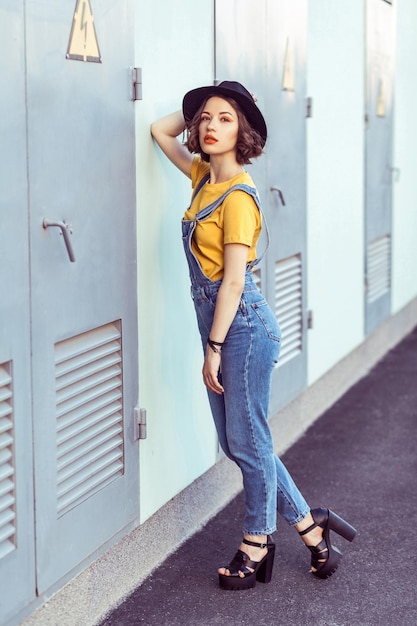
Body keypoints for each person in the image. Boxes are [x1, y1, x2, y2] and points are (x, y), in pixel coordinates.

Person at [150, 81, 356, 591]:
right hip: (221, 324)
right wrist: (205, 98)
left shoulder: (240, 195)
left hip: (242, 327)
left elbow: (235, 280)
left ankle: (256, 543)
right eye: (205, 118)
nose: (210, 125)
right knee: (242, 443)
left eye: (225, 118)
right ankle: (312, 528)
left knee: (248, 441)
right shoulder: (202, 176)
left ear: (243, 132)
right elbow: (159, 129)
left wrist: (214, 349)